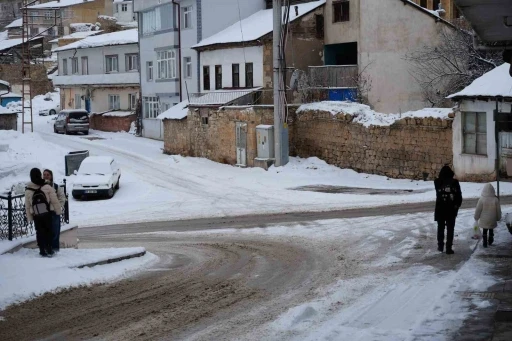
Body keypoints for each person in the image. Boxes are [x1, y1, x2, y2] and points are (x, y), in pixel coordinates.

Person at [25, 168, 62, 257]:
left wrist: (29, 217)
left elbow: (27, 205)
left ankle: (42, 249)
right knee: (48, 230)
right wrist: (58, 211)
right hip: (47, 212)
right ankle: (49, 249)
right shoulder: (47, 186)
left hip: (36, 214)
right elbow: (54, 201)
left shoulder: (28, 189)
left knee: (39, 231)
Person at [434, 165, 463, 255]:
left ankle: (440, 246)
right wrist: (456, 206)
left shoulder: (437, 182)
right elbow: (459, 197)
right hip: (451, 210)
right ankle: (448, 248)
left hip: (440, 209)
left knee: (440, 228)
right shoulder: (455, 183)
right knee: (450, 229)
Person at [43, 169, 66, 252]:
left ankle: (55, 248)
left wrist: (57, 207)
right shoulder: (40, 187)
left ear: (51, 176)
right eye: (44, 174)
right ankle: (46, 247)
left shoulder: (56, 187)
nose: (46, 176)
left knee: (55, 231)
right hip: (44, 212)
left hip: (54, 212)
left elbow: (62, 198)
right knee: (45, 231)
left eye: (47, 175)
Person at [474, 183, 502, 248]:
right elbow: (498, 210)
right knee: (491, 229)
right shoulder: (495, 199)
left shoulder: (481, 199)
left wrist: (476, 217)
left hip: (484, 219)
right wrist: (498, 218)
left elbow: (478, 210)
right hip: (492, 219)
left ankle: (484, 242)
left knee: (485, 231)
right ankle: (491, 239)